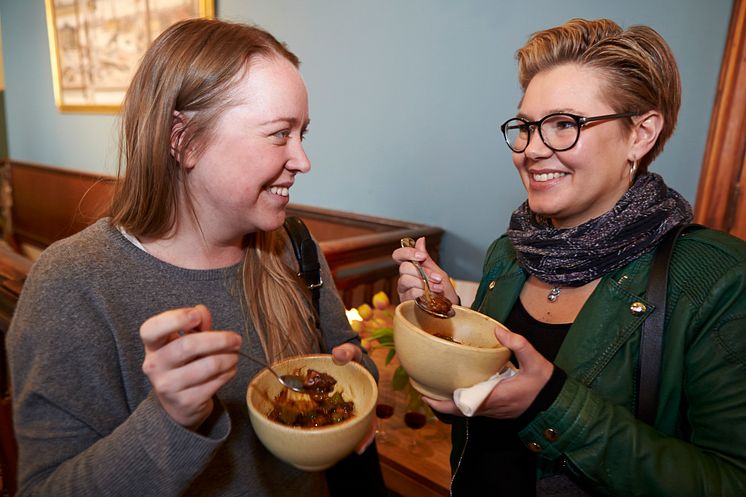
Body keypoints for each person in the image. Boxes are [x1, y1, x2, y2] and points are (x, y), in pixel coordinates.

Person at [7, 18, 383, 497]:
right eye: (278, 134)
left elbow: (350, 359)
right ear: (182, 140)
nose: (302, 160)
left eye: (302, 133)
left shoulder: (294, 246)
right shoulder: (73, 283)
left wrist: (356, 378)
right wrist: (171, 421)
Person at [393, 18, 746, 497]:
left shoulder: (717, 278)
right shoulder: (509, 254)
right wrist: (447, 324)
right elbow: (474, 405)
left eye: (564, 124)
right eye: (526, 126)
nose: (531, 149)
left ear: (641, 134)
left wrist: (550, 404)